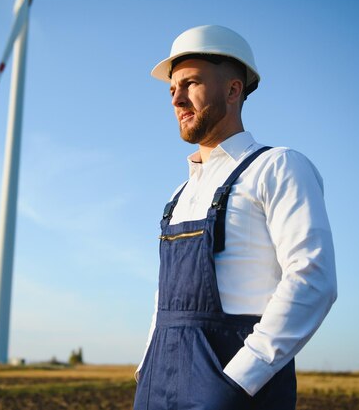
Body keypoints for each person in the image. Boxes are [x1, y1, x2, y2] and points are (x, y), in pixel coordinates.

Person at [133, 25, 337, 410]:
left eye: (190, 83)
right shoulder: (179, 195)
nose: (177, 99)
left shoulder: (278, 167)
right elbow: (164, 301)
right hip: (156, 386)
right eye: (172, 89)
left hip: (233, 388)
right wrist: (146, 369)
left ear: (232, 90)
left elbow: (313, 278)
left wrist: (237, 381)